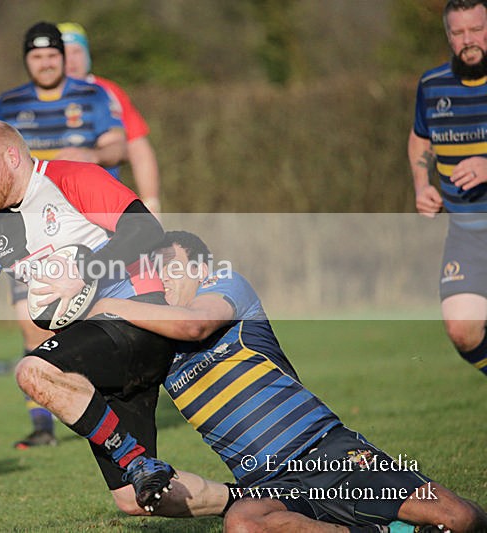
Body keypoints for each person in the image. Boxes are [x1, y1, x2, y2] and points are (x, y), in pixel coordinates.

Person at [0, 120, 236, 516]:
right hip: (98, 349)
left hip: (137, 321)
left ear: (11, 156)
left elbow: (145, 228)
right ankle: (247, 501)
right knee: (134, 501)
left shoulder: (71, 178)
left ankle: (136, 461)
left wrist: (88, 271)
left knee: (32, 371)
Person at [88, 231, 487, 532]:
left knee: (460, 519)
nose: (162, 280)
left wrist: (107, 305)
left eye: (170, 268)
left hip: (326, 450)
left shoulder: (228, 289)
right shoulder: (152, 341)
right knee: (244, 522)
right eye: (155, 273)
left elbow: (195, 325)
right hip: (265, 480)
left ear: (202, 269)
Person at [0, 21, 127, 448]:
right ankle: (44, 426)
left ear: (64, 58)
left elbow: (119, 147)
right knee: (32, 325)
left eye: (52, 56)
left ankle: (104, 410)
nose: (45, 63)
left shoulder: (92, 95)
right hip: (27, 233)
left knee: (101, 321)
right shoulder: (7, 104)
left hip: (87, 229)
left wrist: (92, 154)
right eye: (37, 56)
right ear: (26, 60)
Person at [408, 0, 487, 378]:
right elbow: (420, 140)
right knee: (462, 328)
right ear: (448, 36)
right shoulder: (432, 84)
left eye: (476, 29)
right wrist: (423, 185)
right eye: (458, 33)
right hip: (466, 234)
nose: (468, 40)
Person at [57, 21, 161, 216]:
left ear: (87, 54)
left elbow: (138, 148)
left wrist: (151, 203)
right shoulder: (35, 98)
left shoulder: (108, 92)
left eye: (77, 52)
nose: (70, 60)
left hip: (104, 206)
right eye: (63, 53)